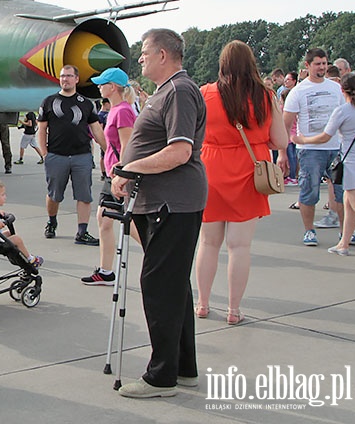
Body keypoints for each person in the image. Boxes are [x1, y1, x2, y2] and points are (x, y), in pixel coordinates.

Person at [110, 28, 206, 399]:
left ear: (164, 54)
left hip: (173, 202)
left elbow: (179, 151)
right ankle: (182, 367)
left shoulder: (180, 90)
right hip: (163, 202)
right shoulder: (166, 92)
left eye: (146, 52)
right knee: (173, 285)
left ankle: (162, 375)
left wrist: (128, 169)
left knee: (160, 285)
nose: (141, 58)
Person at [194, 41, 289, 324]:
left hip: (211, 169)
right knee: (240, 247)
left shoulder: (206, 93)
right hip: (250, 171)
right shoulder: (265, 95)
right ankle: (234, 310)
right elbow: (281, 141)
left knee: (208, 243)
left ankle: (203, 303)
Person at [279, 48, 345, 246]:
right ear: (307, 66)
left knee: (342, 191)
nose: (322, 67)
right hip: (309, 151)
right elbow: (286, 124)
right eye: (317, 64)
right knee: (310, 190)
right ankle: (309, 231)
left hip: (335, 148)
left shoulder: (335, 89)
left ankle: (345, 231)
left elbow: (344, 117)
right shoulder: (298, 92)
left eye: (324, 63)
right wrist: (282, 152)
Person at [293, 73, 355, 253]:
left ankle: (344, 242)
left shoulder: (342, 111)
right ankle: (344, 243)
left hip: (351, 162)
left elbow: (325, 136)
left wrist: (303, 140)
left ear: (342, 90)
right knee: (348, 204)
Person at [37, 64, 107, 243]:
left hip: (81, 156)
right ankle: (51, 222)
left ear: (76, 79)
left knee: (84, 195)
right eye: (62, 76)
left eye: (68, 76)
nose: (64, 79)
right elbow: (42, 128)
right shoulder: (49, 102)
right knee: (54, 194)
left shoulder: (87, 104)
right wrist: (45, 153)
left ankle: (82, 232)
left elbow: (96, 129)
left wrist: (109, 151)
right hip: (56, 156)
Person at [80, 68, 137, 286]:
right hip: (113, 173)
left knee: (120, 219)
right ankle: (105, 271)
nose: (99, 87)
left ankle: (154, 251)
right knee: (105, 218)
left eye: (102, 84)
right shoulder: (116, 109)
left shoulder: (122, 111)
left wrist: (122, 174)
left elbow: (127, 146)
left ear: (112, 87)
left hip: (119, 175)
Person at [0, 179, 42, 267]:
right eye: (2, 195)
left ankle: (17, 255)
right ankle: (30, 259)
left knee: (8, 233)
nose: (5, 197)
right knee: (16, 239)